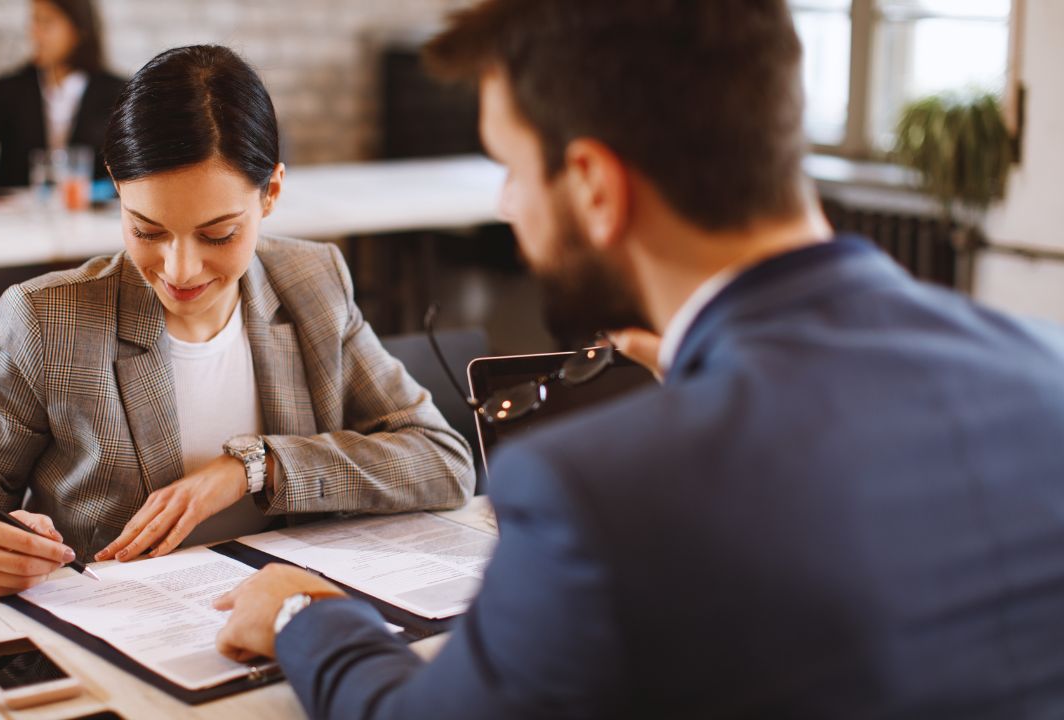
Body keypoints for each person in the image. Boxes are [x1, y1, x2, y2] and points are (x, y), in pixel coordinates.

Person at [212, 1, 1064, 717]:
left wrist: (302, 615)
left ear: (593, 186)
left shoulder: (596, 490)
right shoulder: (1046, 370)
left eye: (510, 169)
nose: (508, 204)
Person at [0, 45, 475, 598]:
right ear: (117, 188)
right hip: (123, 643)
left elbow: (443, 461)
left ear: (270, 192)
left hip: (286, 626)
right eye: (147, 230)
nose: (179, 269)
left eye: (217, 233)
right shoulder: (47, 322)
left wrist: (257, 466)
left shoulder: (313, 282)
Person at [0, 0, 125, 189]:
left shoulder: (117, 92)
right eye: (34, 21)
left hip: (93, 215)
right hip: (19, 215)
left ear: (78, 30)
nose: (34, 32)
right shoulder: (6, 91)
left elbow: (126, 173)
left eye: (46, 22)